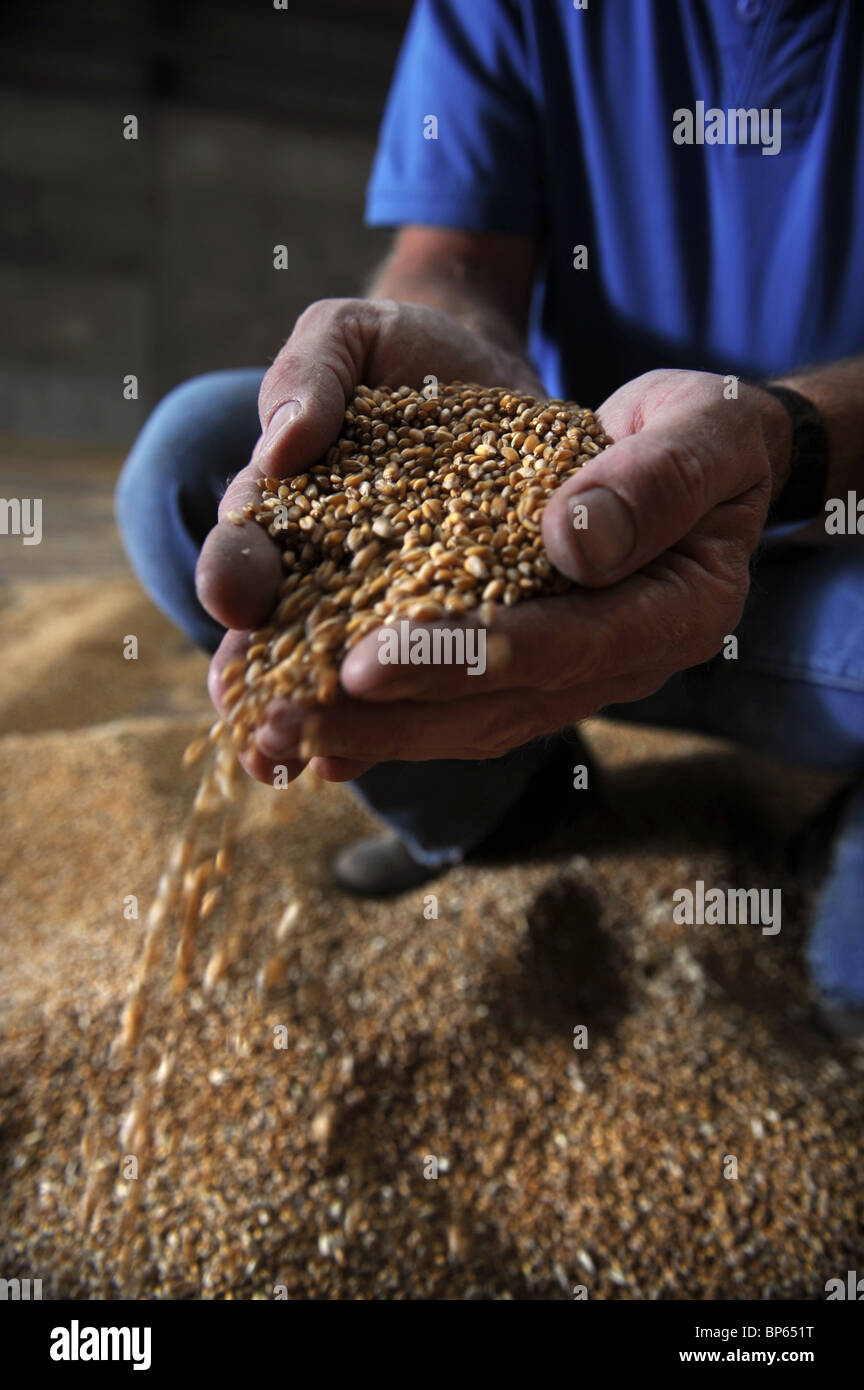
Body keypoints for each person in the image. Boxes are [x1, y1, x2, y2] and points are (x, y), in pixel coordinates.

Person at [116, 1, 864, 1027]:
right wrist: (458, 368)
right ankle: (515, 810)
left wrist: (784, 439)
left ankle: (825, 844)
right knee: (199, 455)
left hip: (837, 577)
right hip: (565, 541)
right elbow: (453, 258)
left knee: (852, 979)